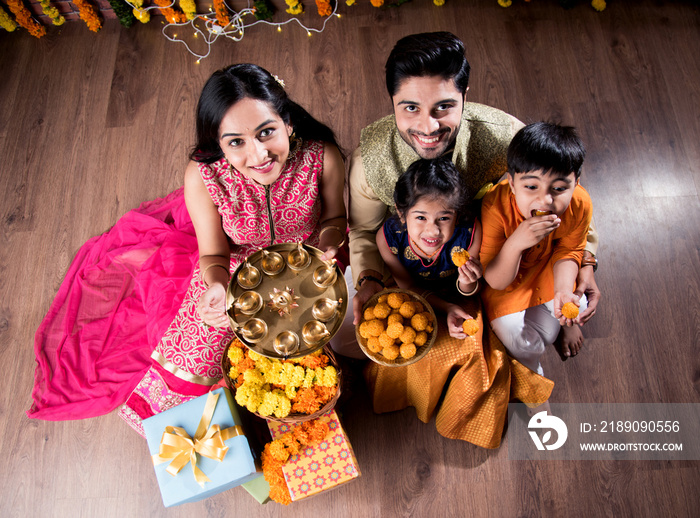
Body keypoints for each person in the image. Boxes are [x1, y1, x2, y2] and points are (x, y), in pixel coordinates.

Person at [28, 64, 347, 437]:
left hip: (307, 260)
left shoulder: (320, 157)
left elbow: (335, 218)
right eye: (236, 142)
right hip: (236, 267)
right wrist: (216, 285)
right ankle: (198, 443)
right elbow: (212, 254)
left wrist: (326, 246)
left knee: (325, 352)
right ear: (218, 143)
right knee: (195, 362)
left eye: (267, 132)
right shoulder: (204, 177)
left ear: (288, 124)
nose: (259, 154)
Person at [347, 32, 600, 353]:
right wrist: (369, 282)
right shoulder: (370, 160)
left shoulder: (504, 136)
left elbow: (565, 193)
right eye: (410, 107)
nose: (428, 127)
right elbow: (364, 230)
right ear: (392, 100)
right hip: (414, 263)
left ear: (464, 95)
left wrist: (587, 263)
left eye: (444, 107)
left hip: (494, 256)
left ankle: (556, 311)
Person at [481, 122, 592, 376]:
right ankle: (536, 362)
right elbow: (496, 281)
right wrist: (517, 242)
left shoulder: (580, 203)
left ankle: (565, 323)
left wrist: (564, 291)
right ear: (511, 183)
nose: (545, 200)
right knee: (518, 338)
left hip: (549, 269)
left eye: (560, 188)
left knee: (579, 304)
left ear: (576, 182)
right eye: (531, 187)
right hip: (509, 279)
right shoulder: (495, 207)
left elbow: (569, 250)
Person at [376, 157, 483, 340]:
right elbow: (409, 287)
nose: (433, 230)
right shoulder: (389, 239)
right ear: (402, 214)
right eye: (420, 218)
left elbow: (466, 289)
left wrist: (468, 279)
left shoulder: (469, 233)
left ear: (456, 216)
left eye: (444, 218)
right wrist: (446, 307)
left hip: (459, 298)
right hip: (413, 298)